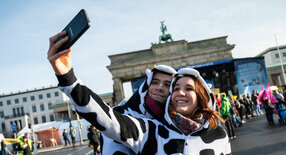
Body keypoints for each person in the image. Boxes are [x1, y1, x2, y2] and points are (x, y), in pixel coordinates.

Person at [47, 33, 231, 154]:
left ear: (202, 96)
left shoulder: (220, 134)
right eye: (176, 88)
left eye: (189, 88)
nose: (180, 93)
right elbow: (107, 118)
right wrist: (68, 78)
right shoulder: (152, 130)